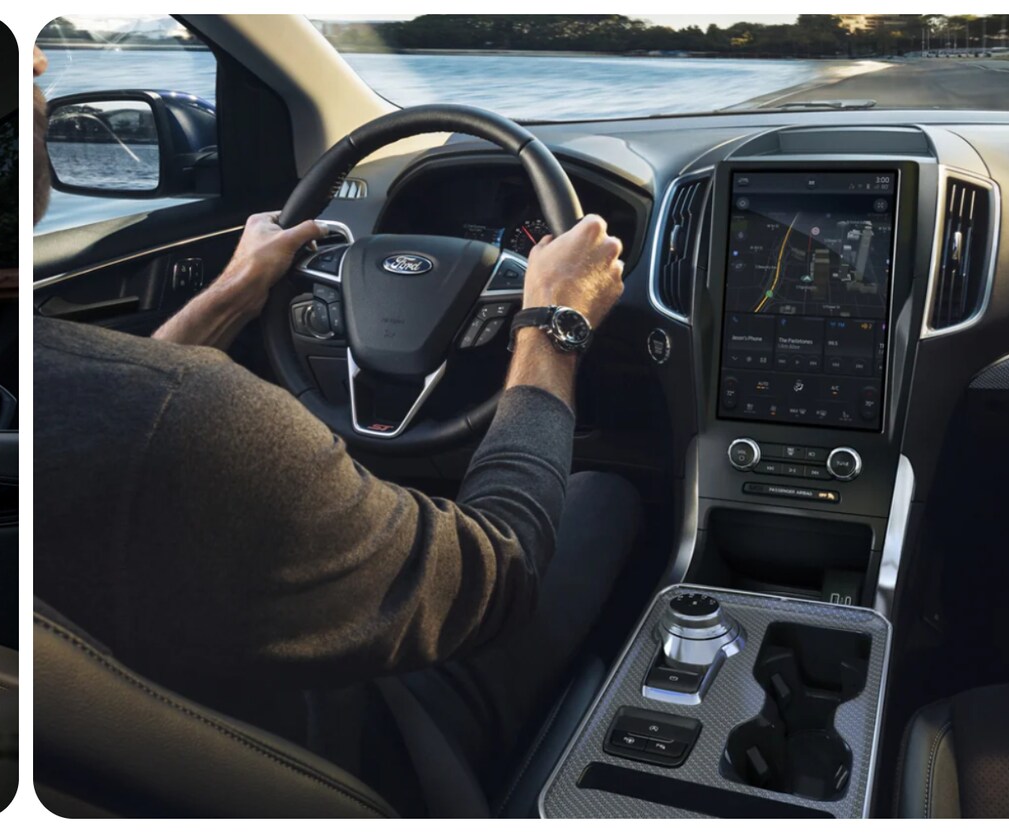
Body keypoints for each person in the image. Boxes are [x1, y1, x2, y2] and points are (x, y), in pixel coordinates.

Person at [32, 48, 640, 813]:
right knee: (607, 495)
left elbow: (121, 403)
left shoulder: (38, 385)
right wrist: (551, 321)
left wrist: (234, 292)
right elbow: (499, 566)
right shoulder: (206, 424)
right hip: (359, 747)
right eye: (22, 55)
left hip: (159, 727)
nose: (41, 57)